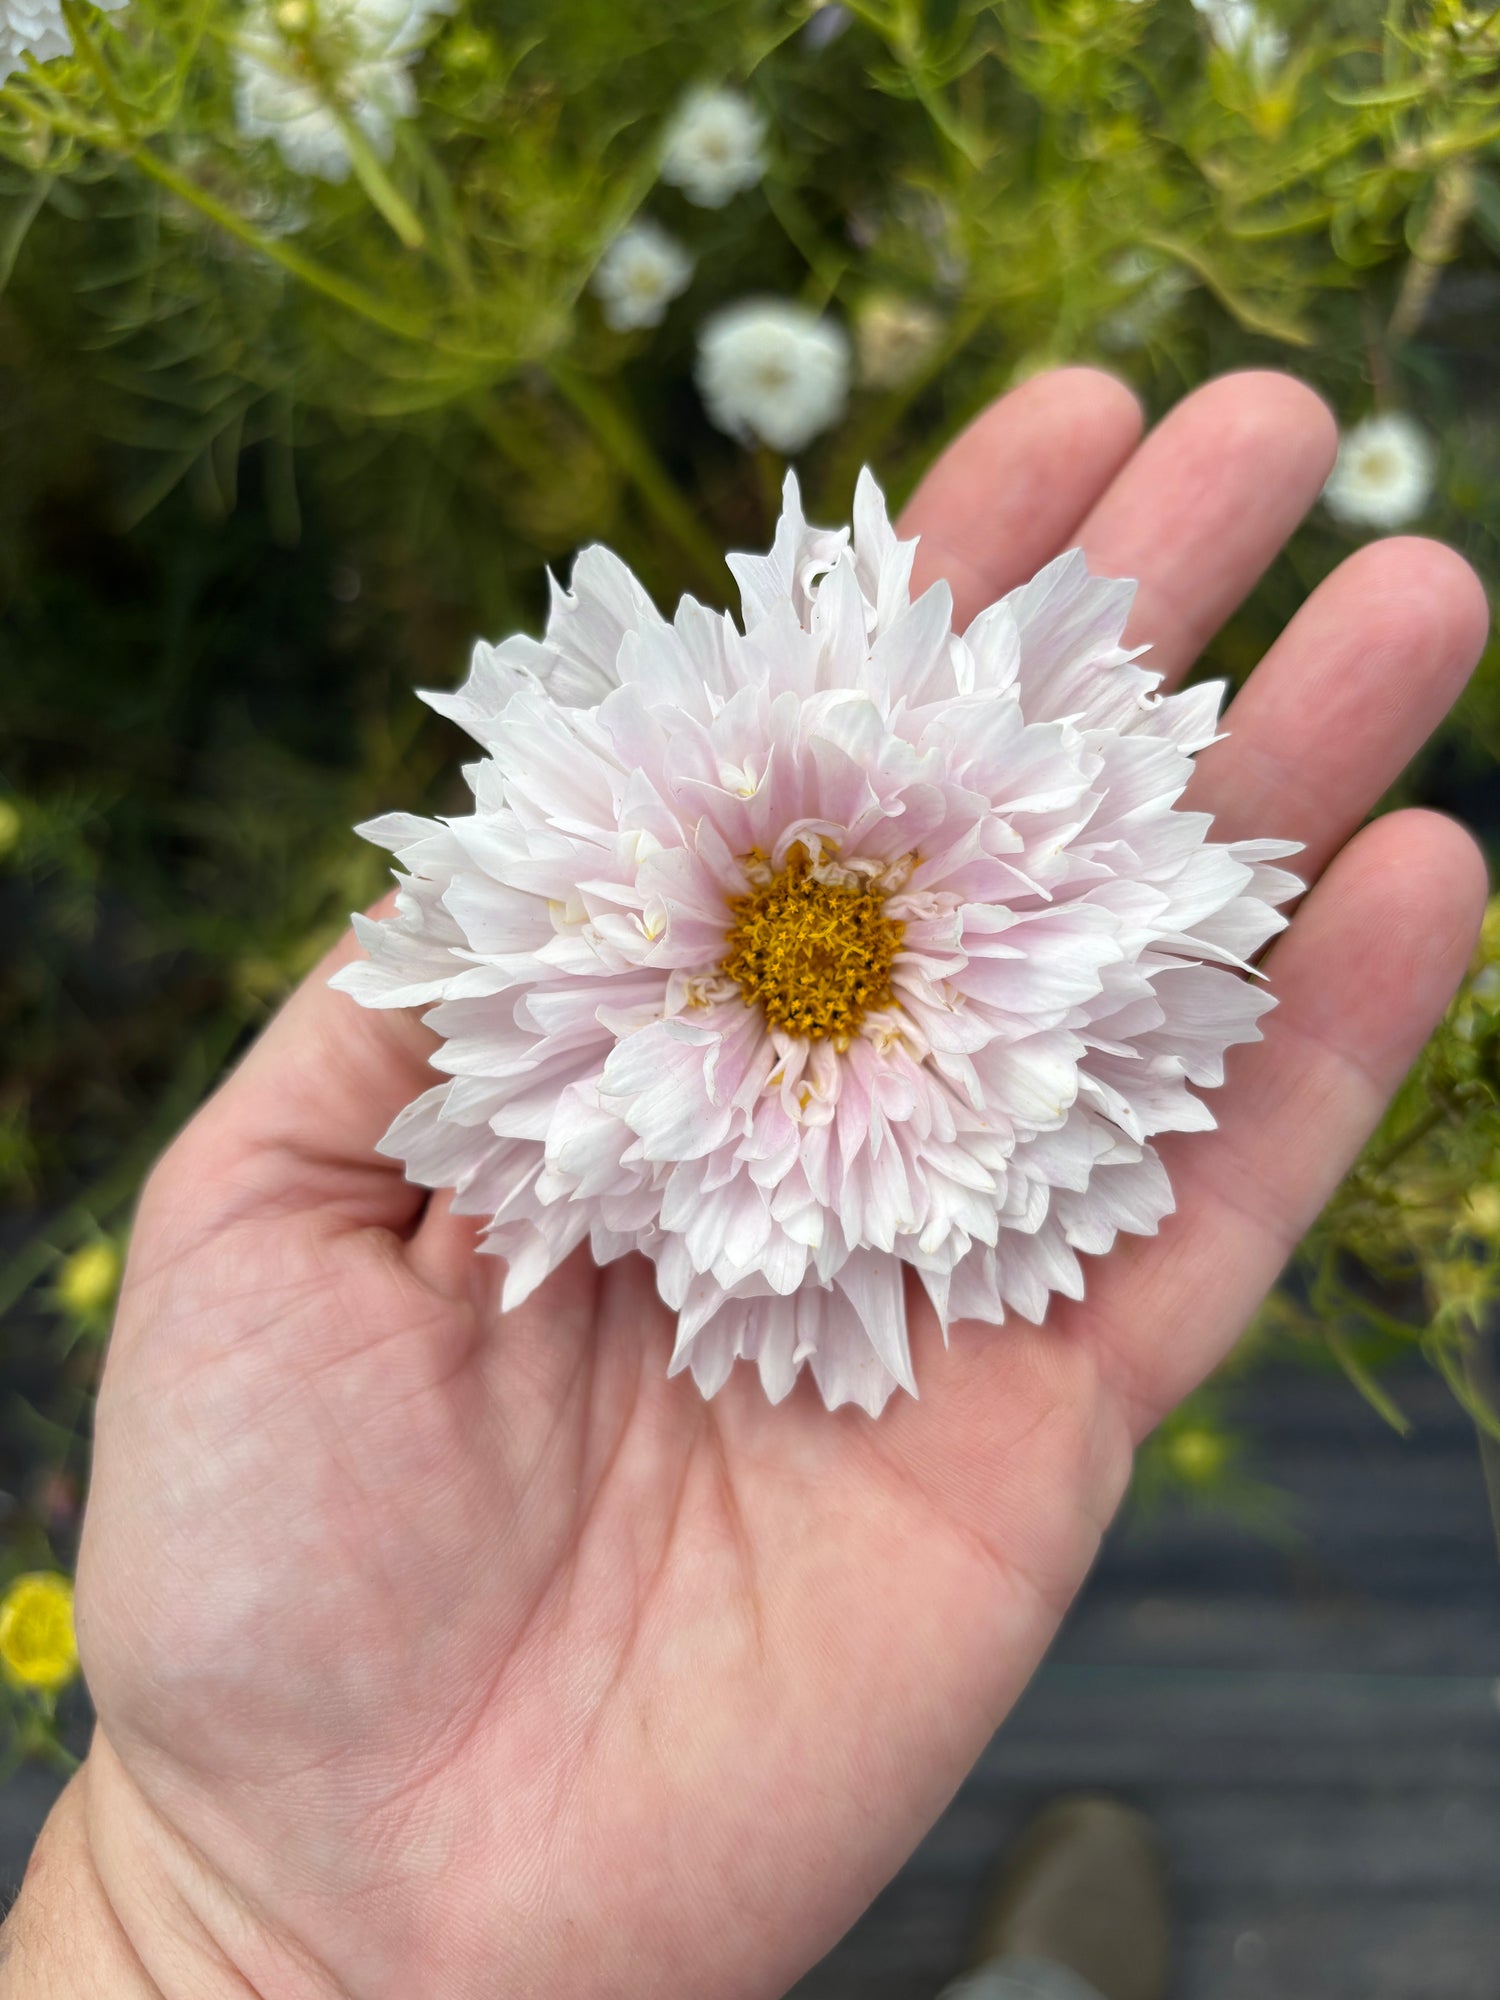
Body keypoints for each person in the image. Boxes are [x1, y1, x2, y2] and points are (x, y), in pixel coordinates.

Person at [0, 368, 1487, 2000]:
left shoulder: (969, 997)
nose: (820, 952)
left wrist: (198, 1936)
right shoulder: (618, 1052)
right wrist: (206, 1916)